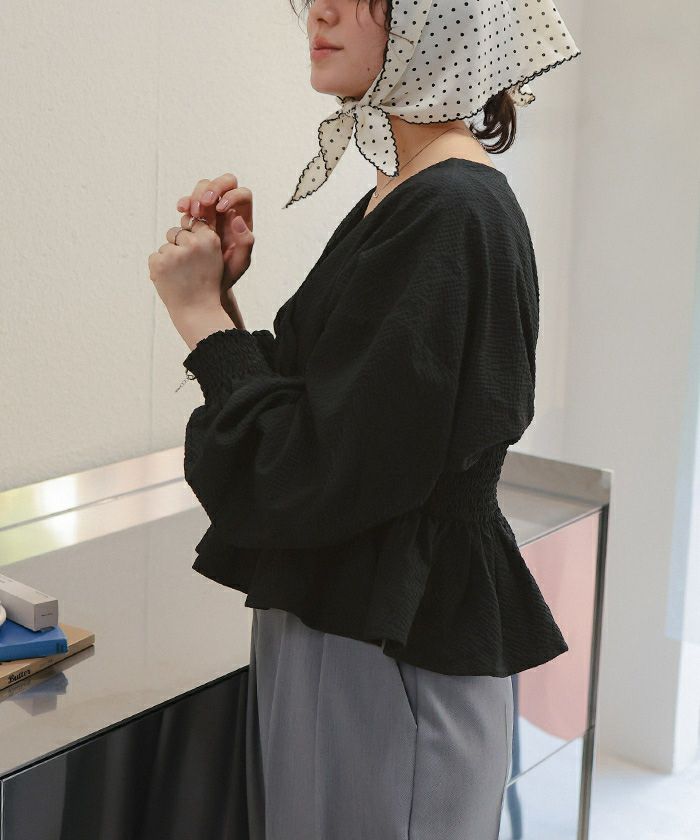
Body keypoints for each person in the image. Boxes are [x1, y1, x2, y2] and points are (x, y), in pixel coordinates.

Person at [149, 1, 581, 837]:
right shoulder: (412, 193)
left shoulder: (449, 210)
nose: (319, 9)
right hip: (359, 629)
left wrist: (200, 317)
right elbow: (332, 421)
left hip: (387, 656)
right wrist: (221, 300)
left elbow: (314, 469)